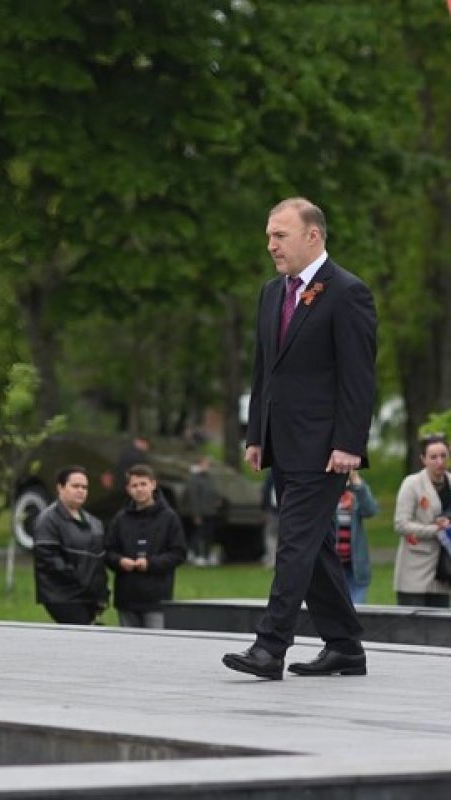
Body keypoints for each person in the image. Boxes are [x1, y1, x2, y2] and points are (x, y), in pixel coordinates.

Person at [224, 197, 376, 681]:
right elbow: (264, 368)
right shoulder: (272, 293)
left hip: (326, 450)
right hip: (281, 443)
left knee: (293, 542)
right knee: (316, 550)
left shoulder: (347, 293)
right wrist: (255, 433)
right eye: (269, 235)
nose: (271, 245)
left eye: (280, 235)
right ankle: (346, 647)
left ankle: (270, 648)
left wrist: (350, 443)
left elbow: (358, 377)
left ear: (314, 236)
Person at [103, 465, 187, 628]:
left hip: (157, 599)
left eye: (143, 484)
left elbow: (178, 553)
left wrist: (150, 564)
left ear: (153, 484)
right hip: (126, 598)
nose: (139, 489)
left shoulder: (169, 518)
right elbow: (108, 551)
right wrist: (120, 561)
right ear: (128, 489)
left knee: (155, 646)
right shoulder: (120, 519)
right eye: (134, 486)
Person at [32, 466, 108, 624]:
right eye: (75, 486)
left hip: (89, 598)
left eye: (84, 487)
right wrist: (80, 582)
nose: (81, 491)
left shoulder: (94, 523)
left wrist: (101, 594)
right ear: (60, 488)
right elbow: (49, 559)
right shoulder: (48, 520)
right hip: (62, 596)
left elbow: (99, 563)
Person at [392, 434, 451, 607]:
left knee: (440, 628)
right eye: (433, 457)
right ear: (423, 459)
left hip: (443, 570)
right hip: (414, 571)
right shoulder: (412, 484)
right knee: (410, 628)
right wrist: (436, 530)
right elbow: (401, 524)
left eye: (443, 455)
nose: (439, 461)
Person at [336, 470, 377, 605]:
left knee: (356, 612)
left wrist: (357, 482)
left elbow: (370, 510)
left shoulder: (357, 491)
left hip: (355, 566)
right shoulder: (323, 490)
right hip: (332, 565)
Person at [185, 454, 221, 566]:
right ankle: (196, 555)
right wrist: (196, 514)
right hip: (200, 512)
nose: (207, 466)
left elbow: (214, 491)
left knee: (208, 535)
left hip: (210, 511)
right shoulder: (194, 478)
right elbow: (193, 497)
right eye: (204, 464)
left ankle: (206, 555)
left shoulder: (209, 477)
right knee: (198, 534)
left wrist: (217, 500)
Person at [260, 470, 279, 567]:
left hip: (273, 509)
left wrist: (264, 508)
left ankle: (272, 559)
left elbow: (265, 492)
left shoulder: (270, 475)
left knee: (271, 535)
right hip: (282, 509)